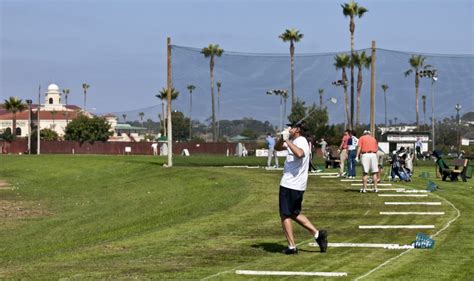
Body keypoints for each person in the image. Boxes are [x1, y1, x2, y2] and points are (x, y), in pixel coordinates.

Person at [275, 122, 328, 254]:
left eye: (291, 127)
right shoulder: (295, 140)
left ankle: (292, 247)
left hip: (291, 184)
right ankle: (317, 234)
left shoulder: (301, 141)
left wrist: (287, 139)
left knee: (285, 214)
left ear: (297, 130)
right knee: (293, 213)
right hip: (293, 184)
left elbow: (300, 154)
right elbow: (277, 148)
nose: (289, 129)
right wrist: (282, 138)